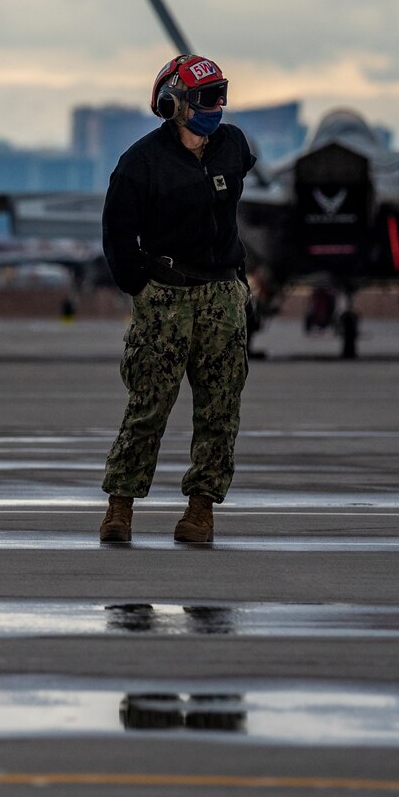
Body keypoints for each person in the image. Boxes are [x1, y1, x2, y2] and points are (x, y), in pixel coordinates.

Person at [98, 54, 257, 545]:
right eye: (207, 98)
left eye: (221, 94)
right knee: (148, 405)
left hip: (222, 295)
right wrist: (142, 286)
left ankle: (200, 509)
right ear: (174, 105)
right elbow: (118, 236)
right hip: (167, 296)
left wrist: (235, 283)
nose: (218, 106)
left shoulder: (233, 147)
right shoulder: (139, 164)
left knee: (220, 407)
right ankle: (120, 507)